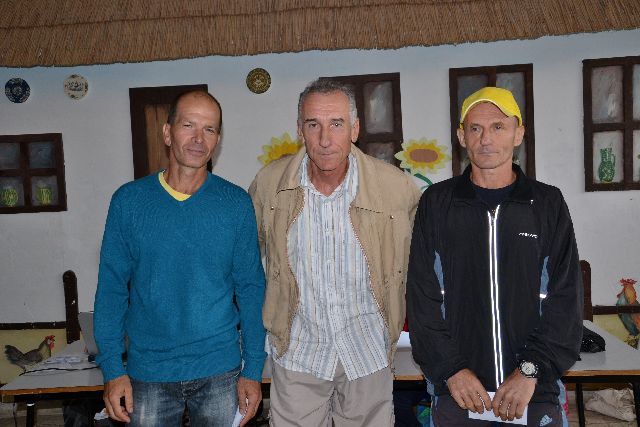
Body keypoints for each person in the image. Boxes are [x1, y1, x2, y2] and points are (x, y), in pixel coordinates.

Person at [407, 86, 583, 426]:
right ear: (462, 136)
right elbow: (422, 299)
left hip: (533, 391)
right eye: (475, 128)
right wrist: (452, 370)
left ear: (519, 134)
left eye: (498, 127)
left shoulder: (547, 204)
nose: (486, 138)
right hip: (458, 392)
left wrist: (529, 371)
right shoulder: (437, 204)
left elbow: (566, 301)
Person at [249, 79, 421, 426]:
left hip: (368, 353)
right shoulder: (270, 185)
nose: (325, 139)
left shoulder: (396, 188)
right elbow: (245, 264)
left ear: (355, 129)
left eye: (337, 124)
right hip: (298, 354)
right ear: (300, 130)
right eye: (314, 125)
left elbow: (421, 266)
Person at [94, 90, 266, 426]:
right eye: (189, 125)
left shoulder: (235, 204)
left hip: (220, 370)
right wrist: (113, 369)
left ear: (217, 140)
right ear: (167, 132)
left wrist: (253, 369)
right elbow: (111, 290)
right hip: (148, 373)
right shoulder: (129, 202)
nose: (199, 138)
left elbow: (251, 288)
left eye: (210, 129)